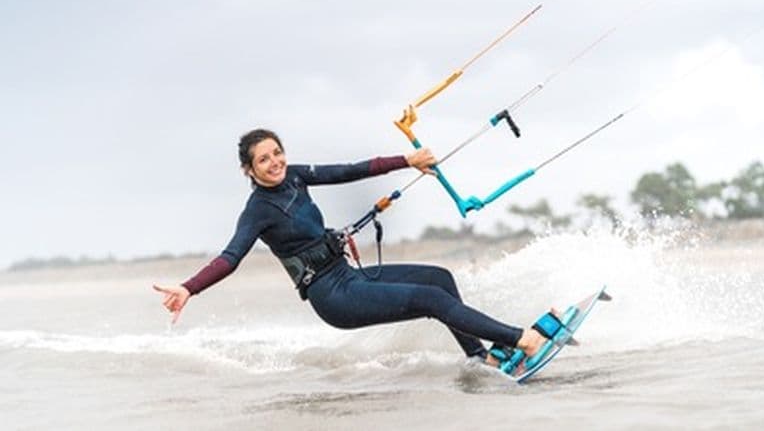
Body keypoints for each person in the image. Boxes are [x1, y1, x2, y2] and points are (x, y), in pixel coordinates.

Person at [153, 128, 555, 368]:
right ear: (249, 169)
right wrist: (190, 287)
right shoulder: (258, 211)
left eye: (277, 152)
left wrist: (407, 159)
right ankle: (523, 339)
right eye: (264, 159)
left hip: (347, 275)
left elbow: (349, 170)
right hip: (334, 297)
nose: (275, 162)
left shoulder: (294, 177)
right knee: (431, 298)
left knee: (440, 278)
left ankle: (481, 359)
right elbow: (230, 257)